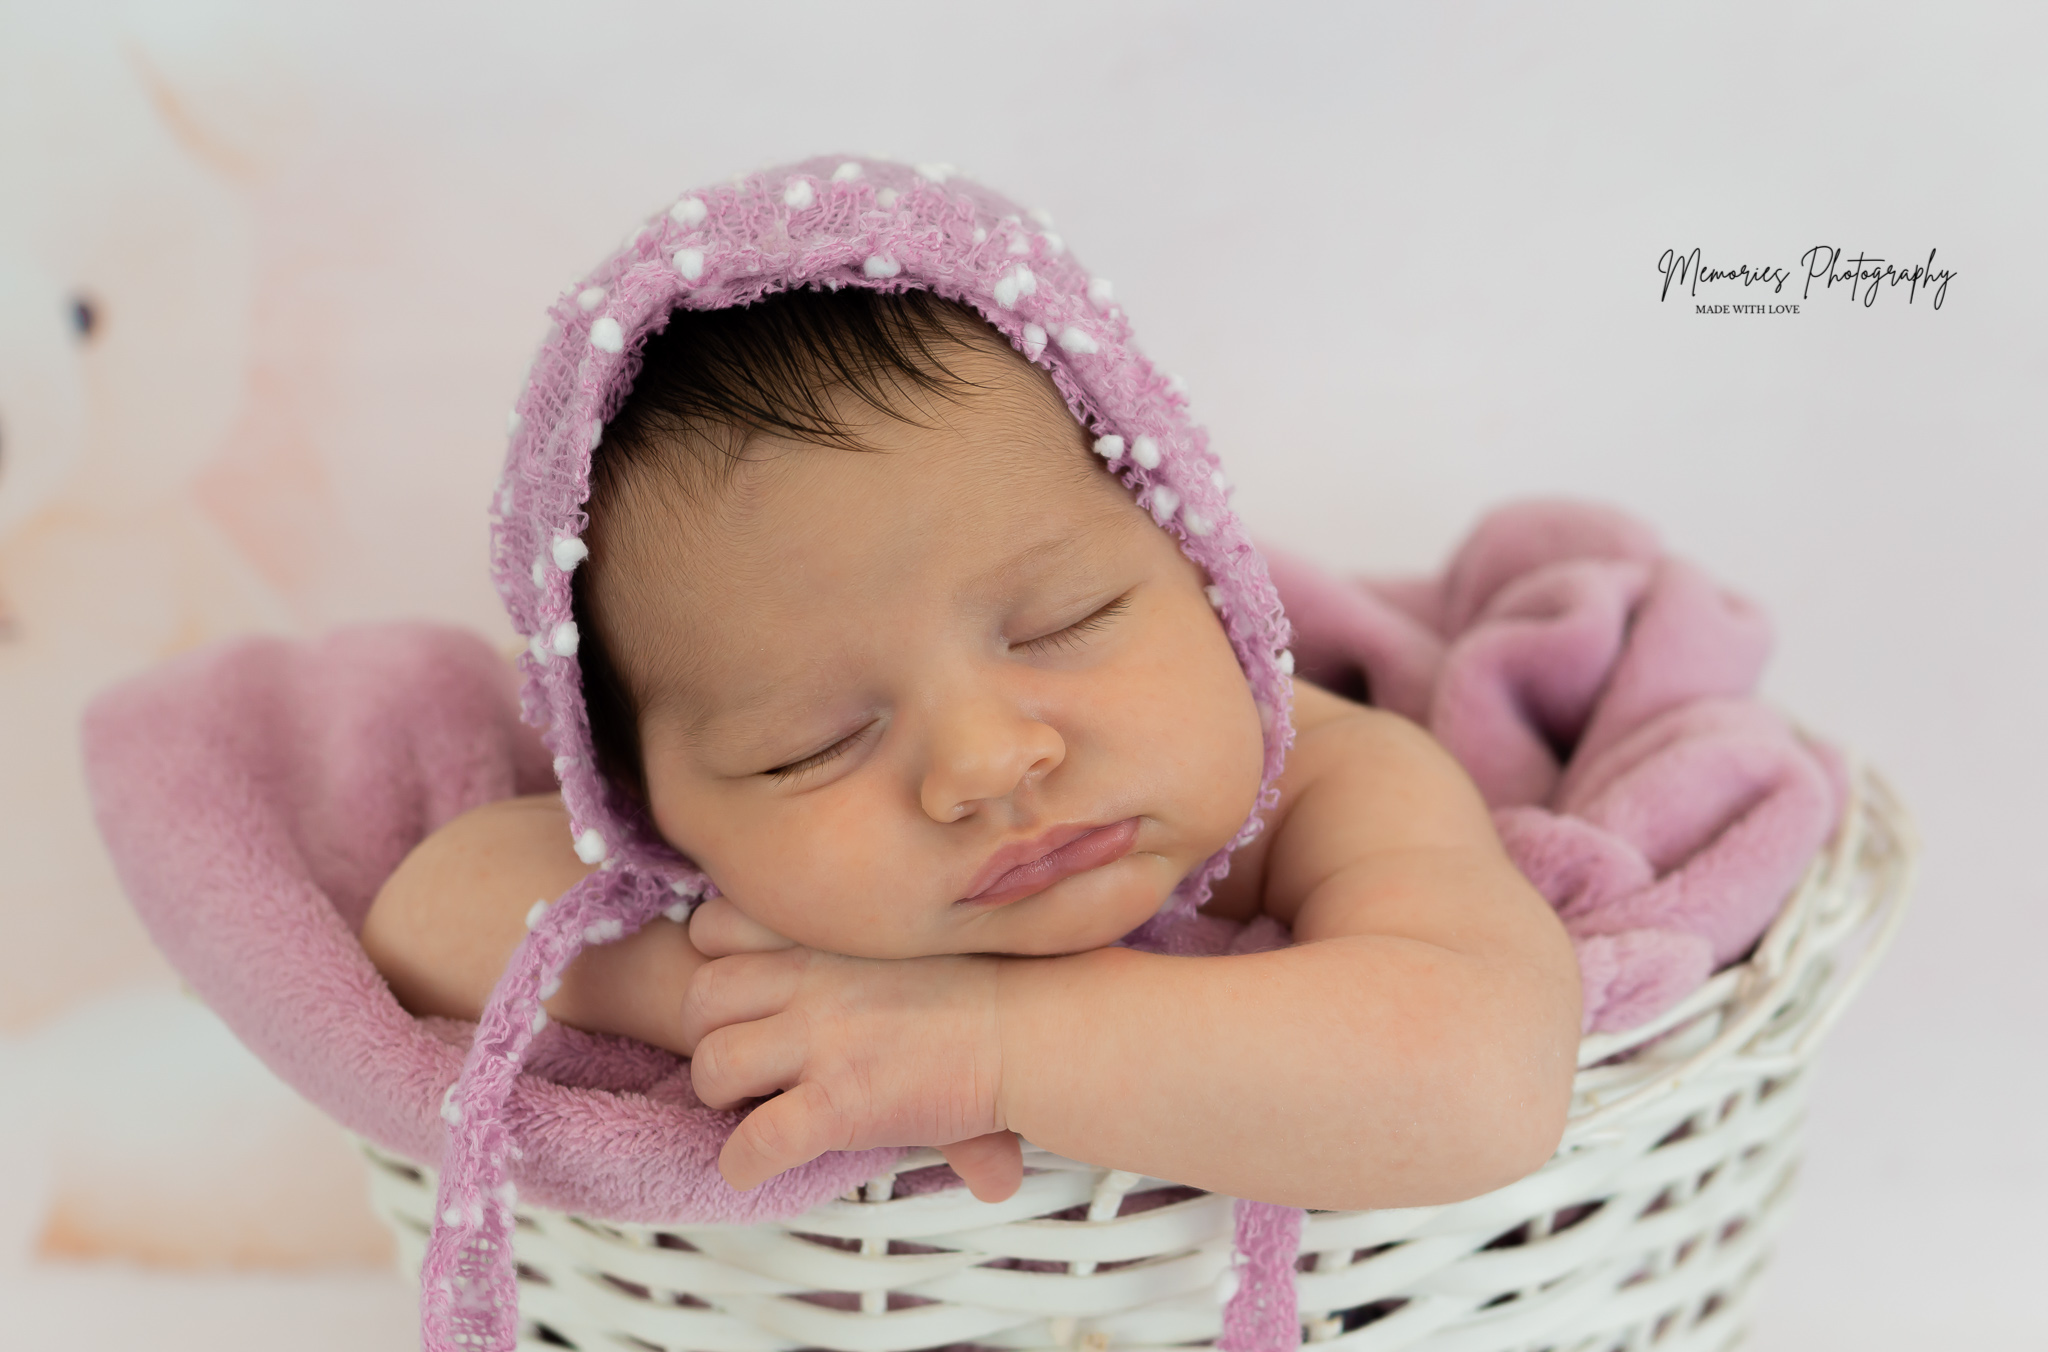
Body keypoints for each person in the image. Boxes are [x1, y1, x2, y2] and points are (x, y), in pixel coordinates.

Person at [361, 161, 1581, 1219]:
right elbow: (426, 917)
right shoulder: (719, 879)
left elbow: (1480, 1079)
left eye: (1065, 622)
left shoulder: (1326, 776)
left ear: (1203, 568)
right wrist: (734, 1002)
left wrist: (989, 1045)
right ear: (640, 802)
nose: (985, 763)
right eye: (811, 745)